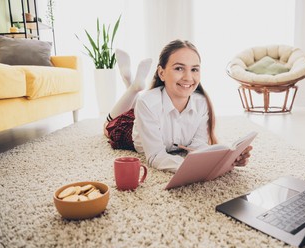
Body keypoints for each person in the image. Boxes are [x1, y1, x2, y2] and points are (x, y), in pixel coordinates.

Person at [104, 39, 252, 172]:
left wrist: (225, 161)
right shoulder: (147, 103)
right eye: (179, 68)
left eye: (194, 69)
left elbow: (198, 145)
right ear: (161, 73)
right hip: (130, 131)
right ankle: (131, 86)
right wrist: (190, 168)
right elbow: (155, 155)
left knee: (141, 103)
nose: (188, 77)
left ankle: (132, 84)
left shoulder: (201, 103)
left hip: (148, 110)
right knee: (108, 124)